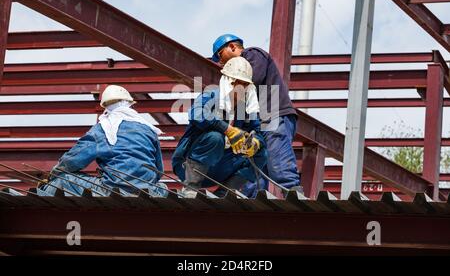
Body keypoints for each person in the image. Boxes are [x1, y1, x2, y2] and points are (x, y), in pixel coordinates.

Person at [211, 34, 302, 195]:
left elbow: (251, 79)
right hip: (259, 120)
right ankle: (254, 201)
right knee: (254, 165)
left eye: (220, 56)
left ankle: (293, 193)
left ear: (232, 47)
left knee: (277, 158)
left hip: (273, 114)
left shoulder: (252, 55)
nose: (220, 63)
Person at [37, 85, 168, 197]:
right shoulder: (149, 129)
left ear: (106, 106)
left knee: (63, 179)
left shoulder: (103, 129)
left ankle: (40, 203)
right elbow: (158, 169)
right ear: (130, 104)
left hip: (114, 189)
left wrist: (52, 175)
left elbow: (72, 161)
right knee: (163, 187)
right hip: (148, 191)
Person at [172, 57, 268, 198]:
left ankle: (225, 193)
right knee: (215, 138)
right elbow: (196, 113)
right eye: (236, 82)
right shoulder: (210, 96)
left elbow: (258, 133)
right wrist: (228, 130)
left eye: (244, 84)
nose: (239, 87)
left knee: (261, 153)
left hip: (220, 169)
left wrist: (254, 143)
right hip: (188, 166)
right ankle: (191, 187)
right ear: (227, 81)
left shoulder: (247, 108)